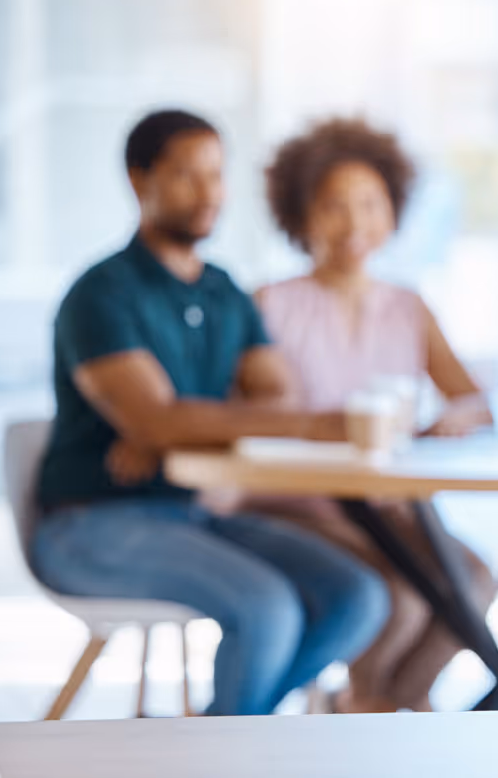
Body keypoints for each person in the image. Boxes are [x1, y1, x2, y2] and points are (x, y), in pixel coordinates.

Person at [32, 110, 389, 717]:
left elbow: (275, 395)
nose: (207, 193)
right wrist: (170, 425)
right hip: (90, 523)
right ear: (138, 178)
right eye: (184, 175)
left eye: (217, 175)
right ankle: (222, 749)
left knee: (357, 595)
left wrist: (181, 426)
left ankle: (215, 738)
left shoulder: (223, 290)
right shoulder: (102, 293)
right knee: (267, 608)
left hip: (190, 511)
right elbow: (175, 419)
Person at [250, 118, 495, 713]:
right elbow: (248, 418)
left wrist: (454, 417)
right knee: (403, 596)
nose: (353, 222)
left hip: (391, 504)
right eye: (333, 206)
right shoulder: (269, 306)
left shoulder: (409, 308)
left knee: (479, 584)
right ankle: (370, 706)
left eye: (368, 203)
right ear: (301, 216)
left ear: (392, 212)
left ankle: (383, 705)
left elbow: (474, 400)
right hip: (300, 504)